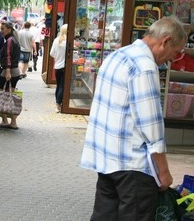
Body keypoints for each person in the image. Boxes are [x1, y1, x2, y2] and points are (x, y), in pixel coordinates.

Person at [80, 16, 187, 221]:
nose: (172, 59)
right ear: (164, 41)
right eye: (175, 53)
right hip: (133, 165)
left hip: (106, 159)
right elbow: (150, 126)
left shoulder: (118, 55)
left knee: (105, 216)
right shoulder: (144, 66)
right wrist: (163, 171)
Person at [0, 22, 21, 130]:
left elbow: (8, 56)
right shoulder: (13, 40)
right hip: (13, 71)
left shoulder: (9, 41)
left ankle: (6, 121)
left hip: (9, 71)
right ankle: (10, 121)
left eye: (3, 28)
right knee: (11, 96)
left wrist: (8, 71)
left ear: (9, 29)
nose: (1, 30)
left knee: (1, 95)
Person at [49, 24, 68, 113]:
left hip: (57, 66)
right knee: (62, 86)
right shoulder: (68, 41)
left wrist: (57, 57)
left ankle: (57, 104)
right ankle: (58, 104)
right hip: (65, 67)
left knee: (58, 85)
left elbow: (51, 53)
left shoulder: (56, 40)